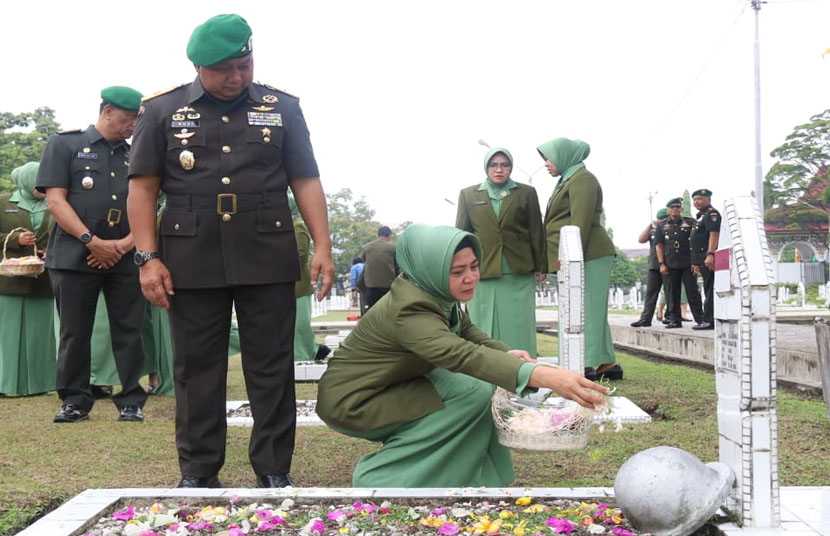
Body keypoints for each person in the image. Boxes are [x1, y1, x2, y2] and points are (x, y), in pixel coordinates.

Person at [127, 14, 334, 489]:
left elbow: (304, 178)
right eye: (224, 69)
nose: (237, 77)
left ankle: (274, 468)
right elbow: (143, 189)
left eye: (245, 64)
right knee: (196, 367)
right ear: (198, 66)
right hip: (189, 253)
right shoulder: (162, 111)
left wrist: (322, 244)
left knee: (271, 364)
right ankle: (198, 472)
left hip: (267, 247)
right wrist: (147, 257)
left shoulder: (281, 107)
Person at [316, 224, 608, 487]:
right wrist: (545, 375)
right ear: (432, 269)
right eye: (457, 272)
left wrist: (507, 353)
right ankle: (382, 478)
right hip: (355, 399)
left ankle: (469, 476)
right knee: (470, 392)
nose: (470, 278)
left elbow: (466, 331)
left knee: (476, 390)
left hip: (388, 383)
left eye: (474, 266)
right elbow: (460, 354)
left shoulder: (431, 290)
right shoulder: (410, 309)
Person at [37, 86, 148, 423]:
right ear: (108, 110)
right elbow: (55, 200)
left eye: (136, 120)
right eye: (128, 117)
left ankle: (131, 399)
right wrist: (91, 240)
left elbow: (150, 201)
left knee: (129, 328)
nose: (132, 125)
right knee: (74, 329)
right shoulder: (66, 144)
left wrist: (124, 245)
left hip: (125, 254)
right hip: (74, 254)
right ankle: (75, 399)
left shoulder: (137, 153)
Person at [537, 138, 619, 380]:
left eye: (549, 158)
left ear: (564, 156)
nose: (546, 164)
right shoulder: (569, 180)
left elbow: (579, 222)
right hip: (581, 253)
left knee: (587, 310)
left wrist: (572, 257)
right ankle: (605, 362)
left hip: (588, 253)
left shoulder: (583, 179)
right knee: (590, 308)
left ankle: (584, 363)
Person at [456, 147, 546, 356]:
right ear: (486, 167)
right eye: (494, 165)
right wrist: (460, 270)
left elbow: (536, 231)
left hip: (519, 269)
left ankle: (524, 369)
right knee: (482, 322)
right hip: (482, 269)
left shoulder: (526, 192)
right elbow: (462, 235)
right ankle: (485, 370)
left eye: (504, 165)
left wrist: (541, 265)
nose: (499, 170)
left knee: (518, 323)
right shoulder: (469, 194)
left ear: (511, 168)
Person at [0, 162, 56, 396]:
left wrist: (49, 250)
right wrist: (14, 241)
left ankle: (39, 385)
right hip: (9, 280)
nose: (41, 188)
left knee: (39, 335)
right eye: (37, 184)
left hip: (42, 278)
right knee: (7, 335)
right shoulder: (3, 202)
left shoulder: (56, 203)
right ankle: (5, 385)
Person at [290, 196, 330, 361]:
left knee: (300, 327)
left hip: (299, 286)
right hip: (287, 286)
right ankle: (315, 351)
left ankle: (306, 356)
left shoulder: (297, 227)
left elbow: (300, 255)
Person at [655, 197, 704, 329]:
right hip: (670, 264)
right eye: (672, 207)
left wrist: (697, 262)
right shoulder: (662, 225)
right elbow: (659, 246)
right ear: (668, 210)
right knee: (672, 293)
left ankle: (700, 319)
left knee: (692, 291)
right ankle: (675, 319)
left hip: (688, 263)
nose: (675, 209)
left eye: (677, 207)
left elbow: (696, 242)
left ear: (681, 209)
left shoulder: (690, 222)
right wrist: (661, 264)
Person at [631, 208, 668, 327]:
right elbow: (641, 239)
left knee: (670, 292)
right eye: (660, 219)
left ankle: (671, 317)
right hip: (654, 264)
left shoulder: (672, 227)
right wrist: (650, 224)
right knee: (651, 293)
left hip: (669, 264)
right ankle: (646, 318)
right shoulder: (653, 229)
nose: (661, 221)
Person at [689, 188, 721, 330]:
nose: (697, 202)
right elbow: (697, 241)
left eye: (700, 199)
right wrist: (696, 262)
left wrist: (710, 254)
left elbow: (714, 234)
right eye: (695, 199)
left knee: (710, 288)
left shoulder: (711, 214)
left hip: (708, 258)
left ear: (708, 199)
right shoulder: (701, 216)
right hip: (701, 258)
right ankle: (708, 318)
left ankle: (709, 320)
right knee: (708, 287)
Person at [361, 226, 398, 309]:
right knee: (387, 308)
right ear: (389, 236)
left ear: (377, 235)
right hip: (388, 283)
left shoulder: (367, 247)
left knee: (372, 308)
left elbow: (363, 260)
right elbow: (397, 265)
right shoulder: (393, 248)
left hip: (371, 283)